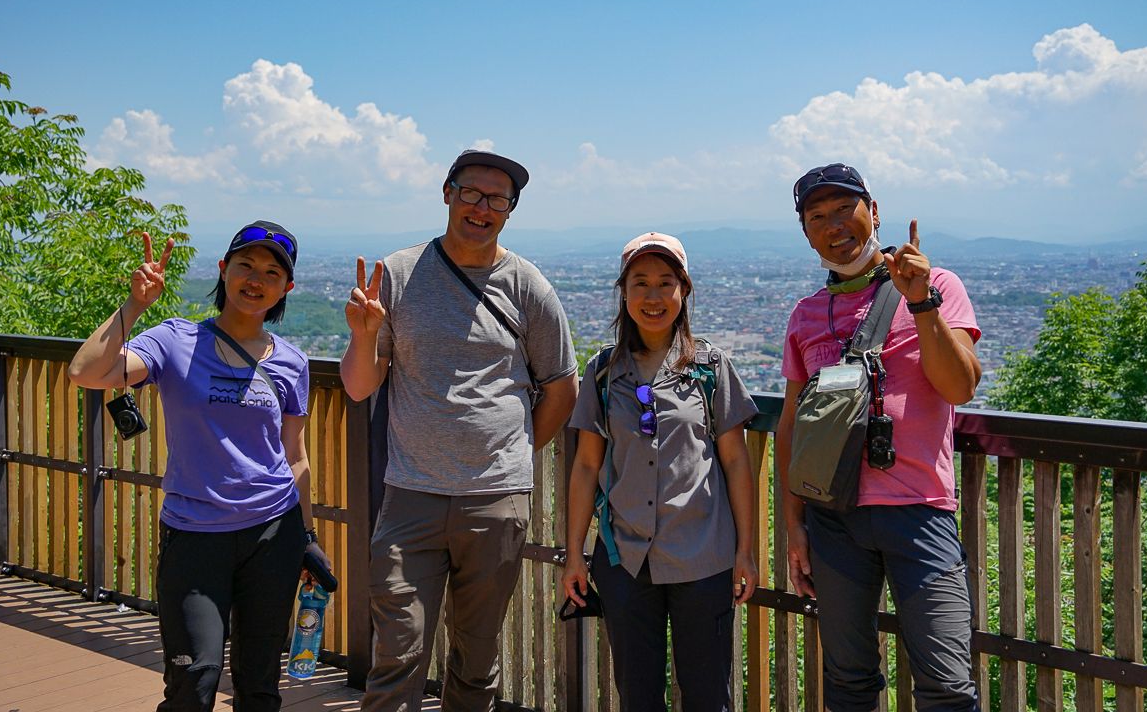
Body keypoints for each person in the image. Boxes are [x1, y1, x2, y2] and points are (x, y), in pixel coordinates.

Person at [341, 149, 578, 712]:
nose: (482, 207)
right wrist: (362, 335)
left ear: (510, 211)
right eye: (472, 193)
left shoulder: (527, 286)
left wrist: (513, 451)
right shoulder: (398, 275)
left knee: (476, 657)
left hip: (495, 498)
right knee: (398, 651)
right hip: (410, 496)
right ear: (447, 192)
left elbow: (561, 387)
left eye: (498, 199)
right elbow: (358, 386)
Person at [69, 221, 330, 712]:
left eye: (272, 273)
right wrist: (135, 305)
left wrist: (308, 538)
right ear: (223, 270)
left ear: (286, 288)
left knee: (259, 683)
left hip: (274, 533)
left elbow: (295, 455)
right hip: (194, 532)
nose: (256, 280)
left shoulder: (292, 361)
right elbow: (86, 373)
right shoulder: (175, 340)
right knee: (195, 678)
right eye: (246, 266)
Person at [775, 164, 982, 712]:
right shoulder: (806, 315)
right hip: (833, 516)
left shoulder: (938, 286)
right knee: (848, 679)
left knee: (946, 682)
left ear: (874, 211)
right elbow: (791, 424)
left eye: (845, 209)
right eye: (816, 217)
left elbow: (960, 385)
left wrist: (920, 302)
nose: (833, 225)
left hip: (919, 509)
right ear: (805, 232)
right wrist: (793, 525)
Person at [561, 232, 759, 712]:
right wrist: (573, 554)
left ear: (684, 290)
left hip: (704, 556)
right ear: (623, 292)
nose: (653, 296)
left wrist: (746, 552)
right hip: (623, 558)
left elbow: (736, 461)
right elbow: (587, 466)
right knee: (637, 694)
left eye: (665, 283)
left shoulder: (710, 366)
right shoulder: (604, 373)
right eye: (640, 283)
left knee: (709, 694)